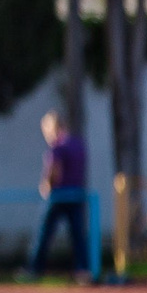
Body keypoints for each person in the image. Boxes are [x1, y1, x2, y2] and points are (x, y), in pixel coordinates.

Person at [29, 110, 93, 280]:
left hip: (58, 195)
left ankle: (35, 269)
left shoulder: (57, 147)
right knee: (78, 235)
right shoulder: (78, 145)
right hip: (76, 194)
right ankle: (83, 270)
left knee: (44, 233)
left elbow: (54, 169)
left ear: (53, 128)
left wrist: (46, 185)